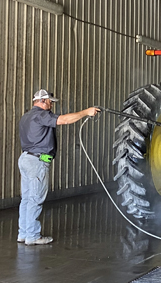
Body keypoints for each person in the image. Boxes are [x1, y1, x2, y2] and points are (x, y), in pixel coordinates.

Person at [18, 89, 100, 245]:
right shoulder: (42, 115)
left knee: (27, 199)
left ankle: (23, 233)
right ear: (42, 101)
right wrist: (86, 112)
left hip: (25, 159)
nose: (51, 105)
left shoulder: (26, 117)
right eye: (50, 102)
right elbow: (64, 120)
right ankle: (33, 236)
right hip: (37, 162)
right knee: (35, 199)